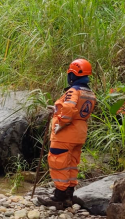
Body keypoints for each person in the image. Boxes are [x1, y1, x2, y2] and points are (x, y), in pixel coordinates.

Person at [38, 59, 97, 209]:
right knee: (71, 164)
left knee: (58, 163)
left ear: (73, 74)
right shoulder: (90, 93)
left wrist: (60, 124)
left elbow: (69, 109)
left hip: (66, 134)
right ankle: (69, 194)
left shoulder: (73, 91)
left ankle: (59, 197)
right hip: (79, 134)